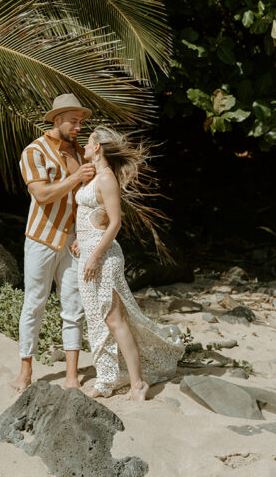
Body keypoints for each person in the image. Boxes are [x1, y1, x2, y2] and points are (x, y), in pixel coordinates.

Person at [73, 126, 184, 401]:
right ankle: (106, 379)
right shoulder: (94, 176)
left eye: (88, 142)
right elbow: (92, 214)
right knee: (97, 320)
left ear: (98, 147)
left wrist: (95, 256)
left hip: (103, 257)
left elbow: (115, 223)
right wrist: (80, 240)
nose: (84, 146)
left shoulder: (107, 178)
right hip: (88, 254)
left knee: (114, 318)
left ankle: (137, 384)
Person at [11, 94, 96, 394]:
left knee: (73, 306)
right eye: (73, 121)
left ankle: (72, 376)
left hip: (74, 240)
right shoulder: (33, 151)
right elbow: (43, 195)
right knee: (34, 304)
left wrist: (84, 235)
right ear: (57, 120)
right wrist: (77, 178)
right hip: (42, 238)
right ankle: (25, 371)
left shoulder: (79, 151)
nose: (78, 126)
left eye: (81, 122)